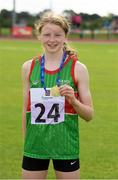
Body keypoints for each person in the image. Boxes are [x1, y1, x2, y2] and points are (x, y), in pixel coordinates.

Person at [21, 11, 94, 179]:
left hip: (65, 146)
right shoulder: (28, 67)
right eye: (47, 34)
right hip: (35, 146)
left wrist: (74, 101)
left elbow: (89, 115)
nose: (52, 40)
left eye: (57, 35)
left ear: (65, 36)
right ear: (39, 36)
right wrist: (27, 142)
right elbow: (26, 110)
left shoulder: (78, 69)